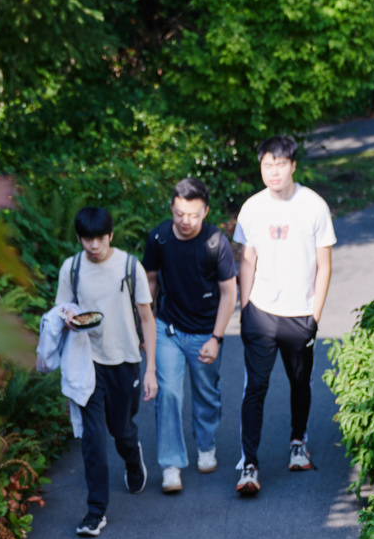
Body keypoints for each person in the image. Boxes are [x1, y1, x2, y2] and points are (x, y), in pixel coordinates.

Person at [231, 134, 336, 497]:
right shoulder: (252, 208)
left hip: (300, 315)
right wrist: (245, 307)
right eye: (266, 165)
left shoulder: (314, 206)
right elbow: (247, 259)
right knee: (254, 388)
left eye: (280, 164)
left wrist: (315, 317)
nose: (273, 172)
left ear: (293, 165)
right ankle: (249, 465)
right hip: (260, 312)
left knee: (299, 382)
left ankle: (297, 443)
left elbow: (324, 267)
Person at [54, 206, 158, 537]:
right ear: (79, 238)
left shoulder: (129, 267)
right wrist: (67, 318)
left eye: (100, 238)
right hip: (86, 362)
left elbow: (146, 318)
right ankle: (95, 512)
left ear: (111, 235)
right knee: (93, 439)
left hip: (125, 360)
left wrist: (151, 367)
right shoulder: (71, 269)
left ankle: (132, 455)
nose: (94, 245)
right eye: (87, 239)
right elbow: (63, 309)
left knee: (121, 429)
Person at [141, 178, 238, 492]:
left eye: (193, 215)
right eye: (179, 213)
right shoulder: (158, 237)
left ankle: (206, 445)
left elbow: (228, 293)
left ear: (205, 211)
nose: (185, 221)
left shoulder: (215, 243)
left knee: (206, 393)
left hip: (205, 332)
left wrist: (217, 337)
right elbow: (150, 282)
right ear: (172, 207)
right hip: (168, 326)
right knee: (168, 392)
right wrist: (145, 324)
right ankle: (171, 464)